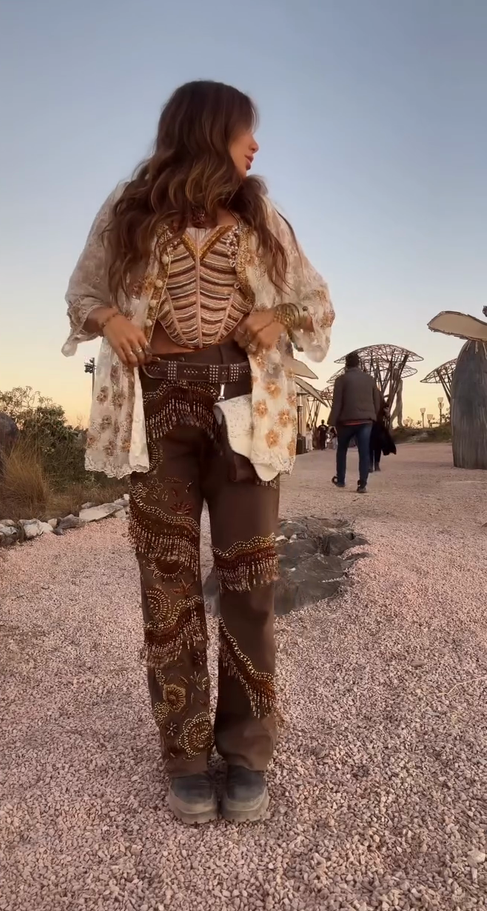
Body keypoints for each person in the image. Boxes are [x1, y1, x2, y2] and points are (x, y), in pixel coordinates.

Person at [63, 81, 335, 825]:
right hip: (158, 414)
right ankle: (183, 755)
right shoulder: (130, 210)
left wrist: (276, 315)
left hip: (244, 415)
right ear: (209, 131)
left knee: (249, 582)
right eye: (247, 130)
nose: (256, 145)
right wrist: (112, 318)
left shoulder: (258, 215)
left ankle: (246, 752)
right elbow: (81, 292)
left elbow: (316, 301)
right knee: (168, 587)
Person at [328, 351, 382, 493]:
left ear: (346, 364)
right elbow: (377, 400)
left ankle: (340, 480)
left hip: (345, 421)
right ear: (359, 363)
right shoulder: (370, 379)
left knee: (342, 450)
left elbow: (337, 403)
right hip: (365, 421)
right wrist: (372, 415)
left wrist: (332, 422)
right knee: (364, 452)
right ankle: (362, 484)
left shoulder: (341, 380)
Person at [369, 398, 390, 472]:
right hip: (370, 426)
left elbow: (387, 415)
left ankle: (376, 464)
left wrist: (387, 412)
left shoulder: (382, 403)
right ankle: (370, 465)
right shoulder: (368, 402)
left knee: (378, 447)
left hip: (379, 427)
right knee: (370, 447)